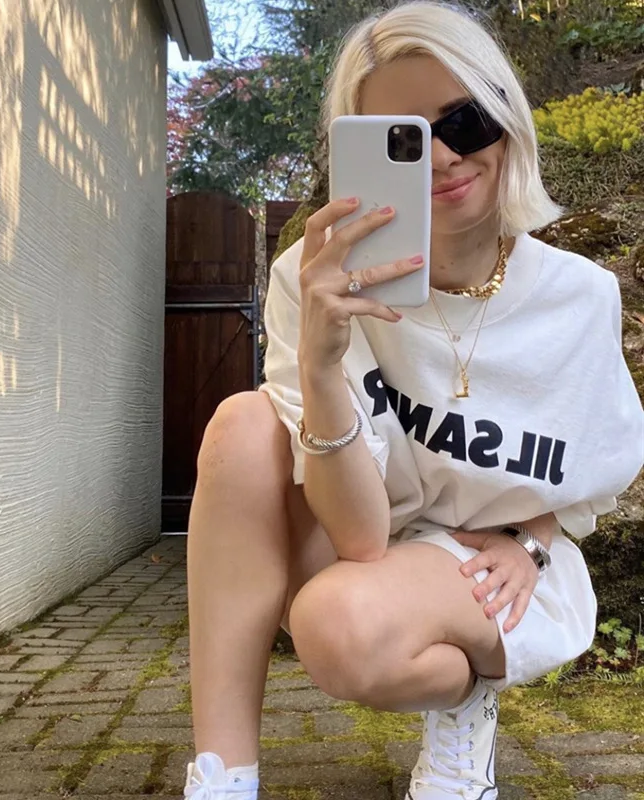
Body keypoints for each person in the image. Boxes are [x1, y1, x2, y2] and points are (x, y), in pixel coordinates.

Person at [182, 2, 644, 799]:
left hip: (499, 568)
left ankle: (463, 700)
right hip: (359, 538)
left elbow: (591, 470)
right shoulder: (311, 281)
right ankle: (223, 775)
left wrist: (533, 539)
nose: (442, 156)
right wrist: (323, 365)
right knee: (241, 423)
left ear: (507, 117)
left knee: (339, 627)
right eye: (402, 139)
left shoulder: (580, 296)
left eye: (465, 121)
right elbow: (359, 538)